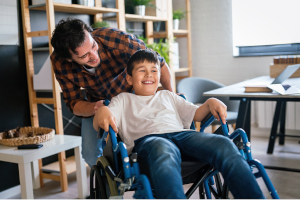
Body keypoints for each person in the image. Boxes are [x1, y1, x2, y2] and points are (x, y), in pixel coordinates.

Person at [93, 49, 265, 199]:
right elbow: (100, 122)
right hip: (149, 141)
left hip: (183, 135)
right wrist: (101, 111)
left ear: (159, 77)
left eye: (154, 70)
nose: (149, 75)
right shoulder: (122, 99)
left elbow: (196, 114)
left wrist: (210, 102)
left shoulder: (168, 96)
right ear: (129, 79)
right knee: (163, 149)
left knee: (223, 143)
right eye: (142, 70)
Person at [50, 18, 173, 167]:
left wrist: (171, 95)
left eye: (93, 46)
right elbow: (73, 103)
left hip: (132, 97)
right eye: (84, 56)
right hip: (97, 103)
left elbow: (160, 64)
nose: (94, 56)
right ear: (69, 59)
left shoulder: (118, 40)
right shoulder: (59, 62)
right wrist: (95, 107)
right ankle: (112, 187)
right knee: (90, 154)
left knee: (144, 143)